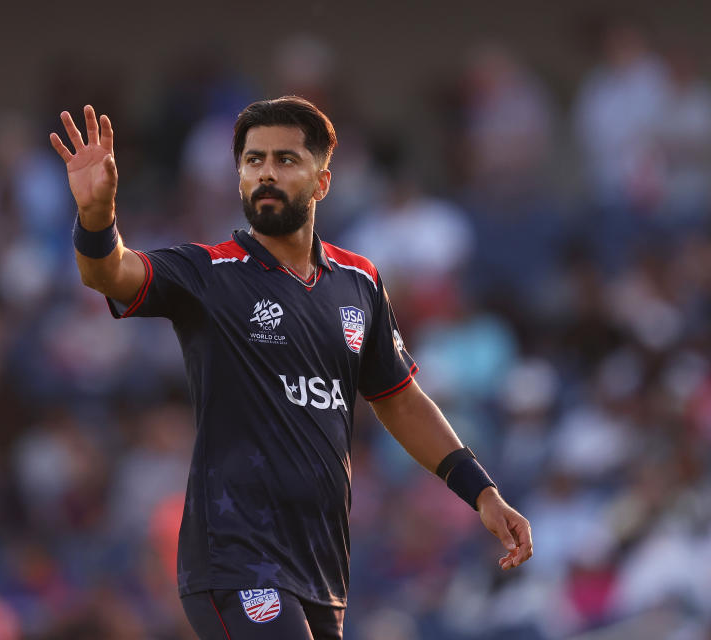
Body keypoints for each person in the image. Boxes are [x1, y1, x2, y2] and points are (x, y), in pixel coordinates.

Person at [49, 97, 533, 639]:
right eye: (253, 161)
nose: (266, 174)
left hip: (322, 564)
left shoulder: (359, 282)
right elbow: (110, 274)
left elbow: (398, 398)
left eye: (284, 160)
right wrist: (96, 217)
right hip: (236, 557)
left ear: (322, 181)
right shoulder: (210, 273)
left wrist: (483, 494)